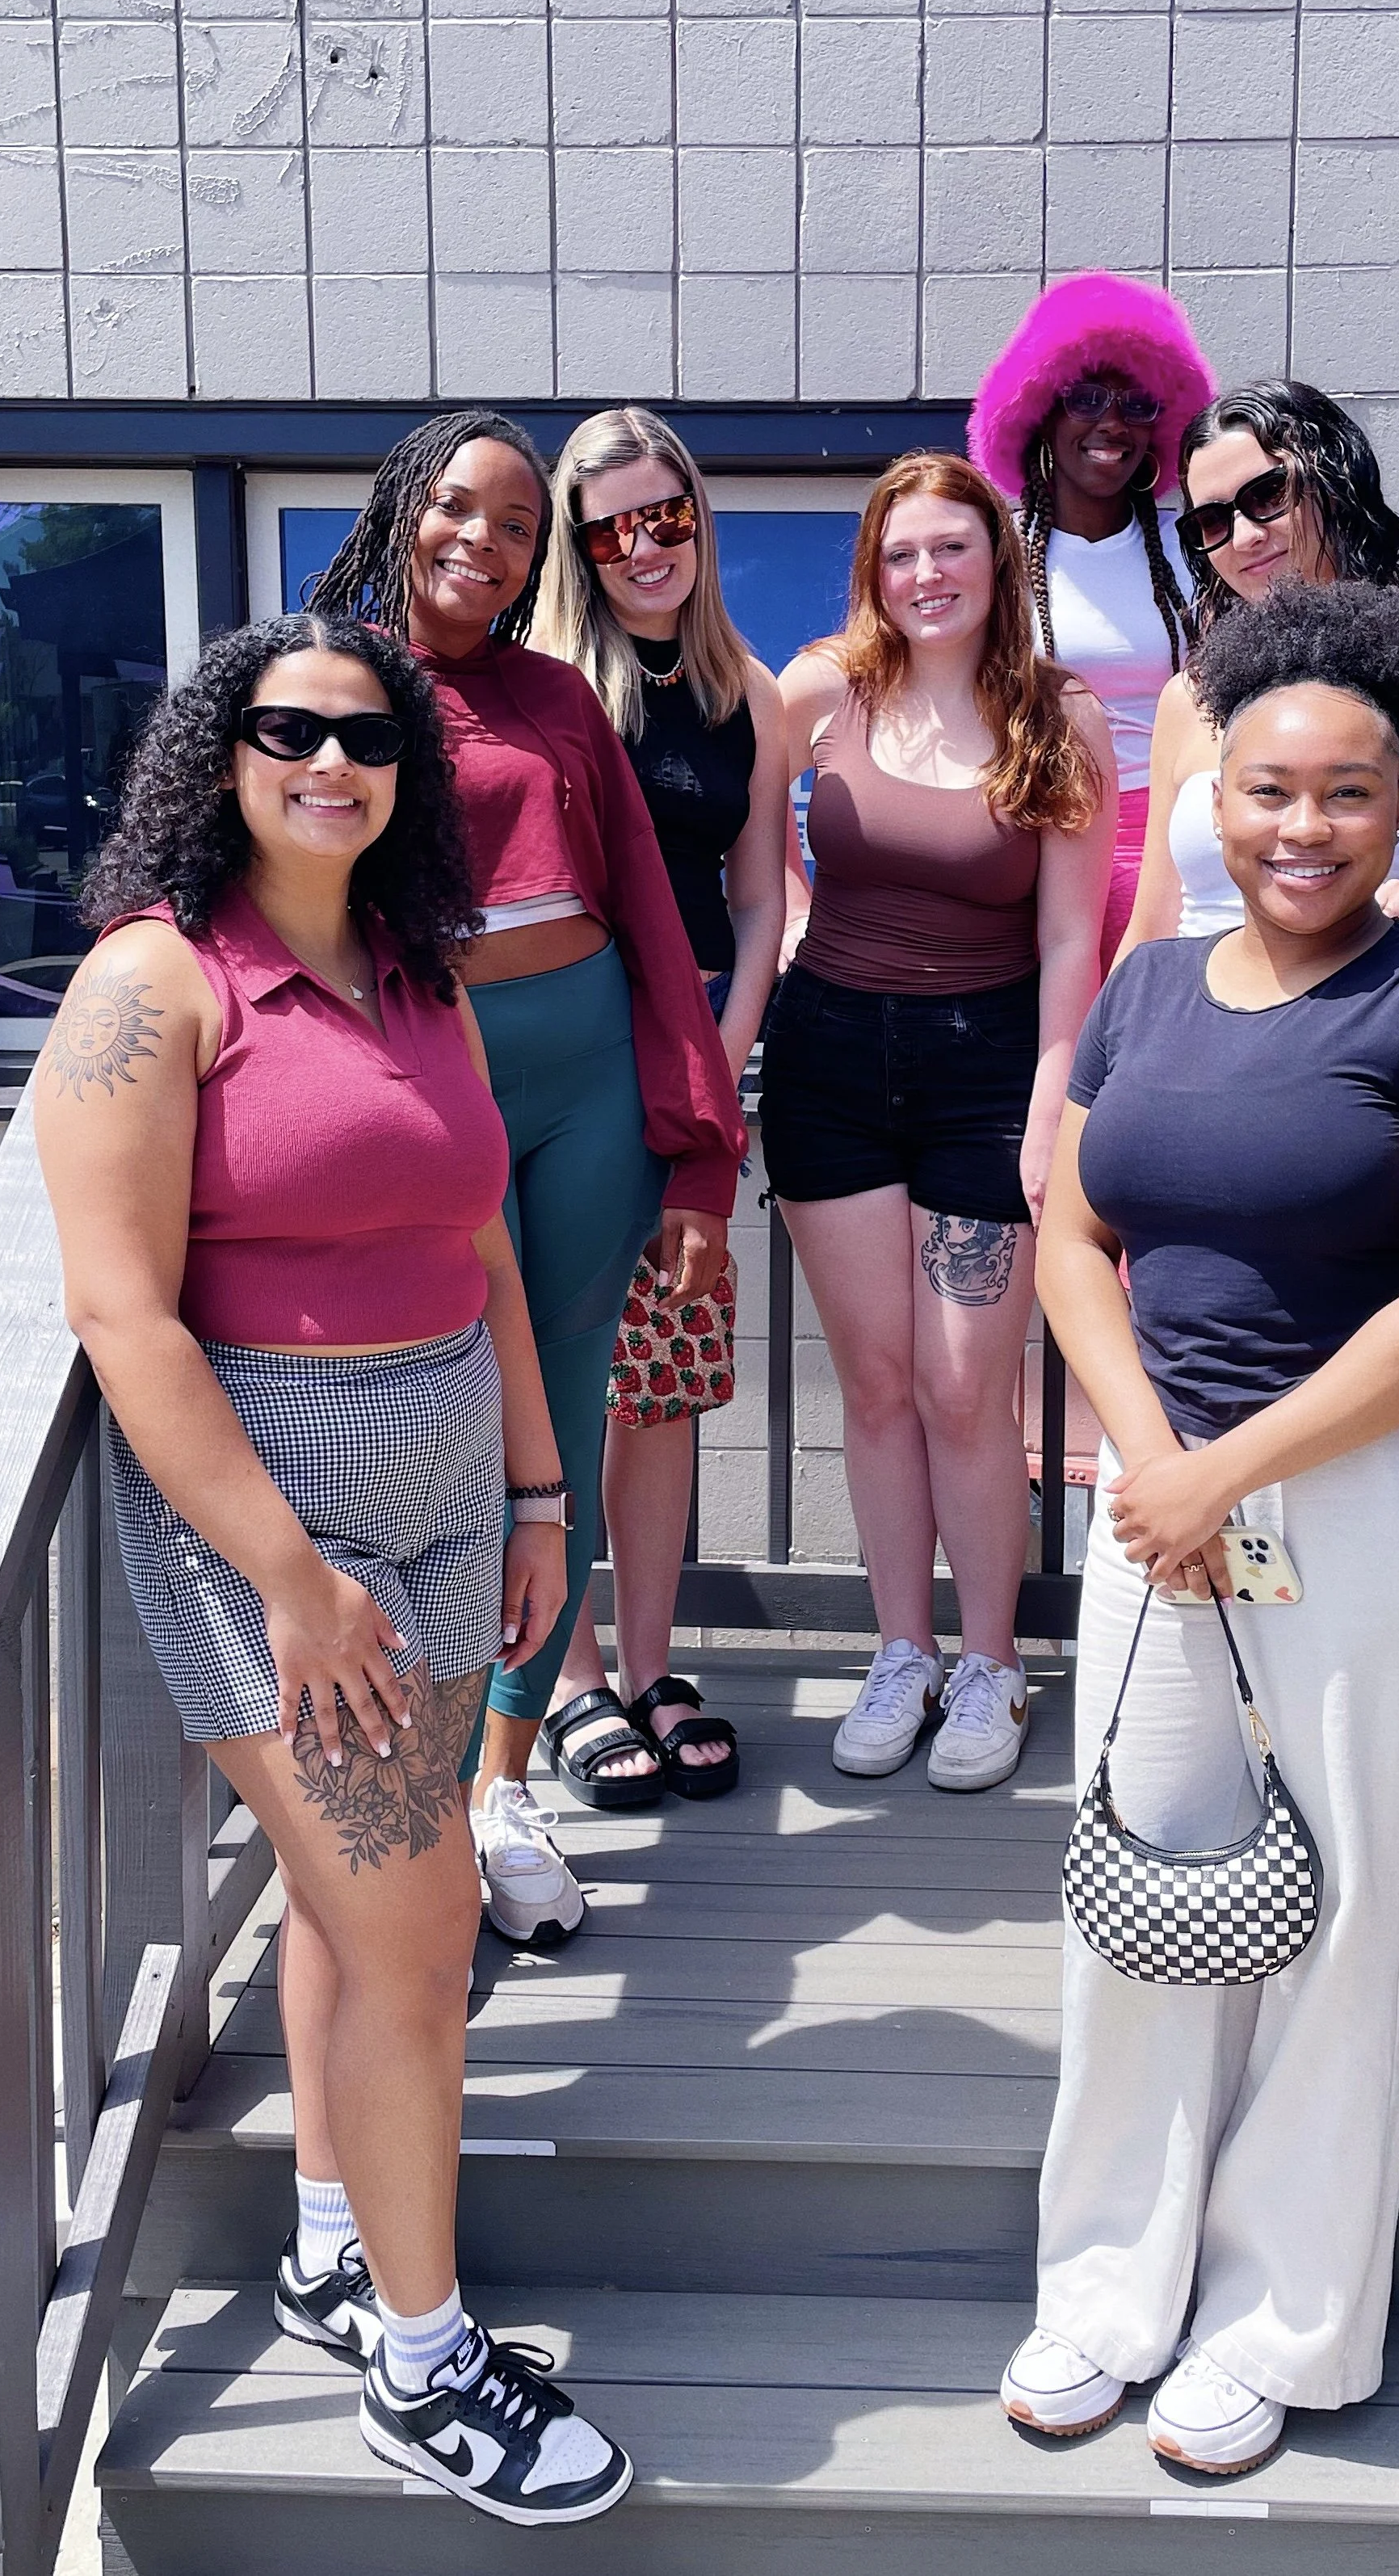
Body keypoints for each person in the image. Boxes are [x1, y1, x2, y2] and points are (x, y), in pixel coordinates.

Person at [36, 614, 632, 2526]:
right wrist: (294, 1580)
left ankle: (328, 2235)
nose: (330, 763)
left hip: (451, 1491)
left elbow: (482, 1243)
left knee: (351, 1901)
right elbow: (125, 1317)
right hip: (278, 1526)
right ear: (221, 752)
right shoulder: (155, 983)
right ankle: (425, 2361)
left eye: (368, 738)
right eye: (289, 729)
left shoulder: (413, 965)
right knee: (422, 1931)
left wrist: (538, 1492)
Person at [1002, 581, 1399, 2473]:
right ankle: (1107, 2285)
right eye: (1267, 790)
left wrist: (1219, 1472)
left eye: (1346, 793)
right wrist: (1152, 1451)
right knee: (1143, 1890)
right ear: (1209, 798)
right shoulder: (1149, 986)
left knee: (1342, 1911)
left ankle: (1278, 2319)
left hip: (1368, 1495)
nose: (1302, 827)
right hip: (1163, 1489)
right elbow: (1073, 1233)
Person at [310, 412, 745, 1944]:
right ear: (401, 513)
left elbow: (650, 919)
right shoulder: (336, 688)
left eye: (514, 526)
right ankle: (409, 1786)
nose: (481, 543)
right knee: (440, 1418)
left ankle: (499, 1787)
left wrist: (700, 1158)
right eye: (456, 510)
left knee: (553, 1419)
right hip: (431, 1064)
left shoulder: (558, 695)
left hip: (587, 1071)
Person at [762, 451, 1115, 1792]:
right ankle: (899, 1651)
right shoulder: (819, 691)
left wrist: (1050, 1103)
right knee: (875, 1382)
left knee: (966, 1388)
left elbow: (1071, 934)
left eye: (950, 548)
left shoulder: (1057, 714)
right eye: (901, 553)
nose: (926, 574)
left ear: (994, 561)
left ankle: (988, 1663)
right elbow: (744, 847)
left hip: (986, 1071)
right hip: (829, 1065)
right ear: (874, 569)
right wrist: (790, 920)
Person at [529, 406, 788, 1792]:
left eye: (666, 517)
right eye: (612, 528)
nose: (644, 547)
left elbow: (757, 898)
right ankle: (567, 1674)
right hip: (569, 1059)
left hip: (692, 1071)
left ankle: (646, 1664)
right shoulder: (542, 688)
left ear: (699, 520)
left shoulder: (750, 691)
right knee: (569, 1373)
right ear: (578, 548)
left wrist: (723, 1056)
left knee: (665, 1379)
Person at [1120, 380, 1399, 961]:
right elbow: (1149, 930)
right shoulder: (1187, 695)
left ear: (1337, 485)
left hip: (1377, 1007)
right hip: (1188, 1010)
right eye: (1212, 522)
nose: (1245, 536)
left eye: (1268, 494)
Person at [968, 272, 1214, 977]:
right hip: (1030, 834)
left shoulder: (1194, 553)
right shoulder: (993, 555)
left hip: (1163, 845)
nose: (1112, 423)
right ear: (1040, 412)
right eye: (1085, 399)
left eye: (1136, 404)